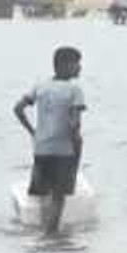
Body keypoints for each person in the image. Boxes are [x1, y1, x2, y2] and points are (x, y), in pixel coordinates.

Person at [13, 46, 86, 235]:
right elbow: (75, 123)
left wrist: (33, 132)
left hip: (41, 148)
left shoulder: (40, 86)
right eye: (77, 63)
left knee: (43, 194)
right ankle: (52, 236)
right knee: (58, 197)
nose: (80, 68)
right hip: (63, 150)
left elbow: (18, 109)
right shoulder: (74, 90)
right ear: (64, 65)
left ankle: (43, 235)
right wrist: (77, 146)